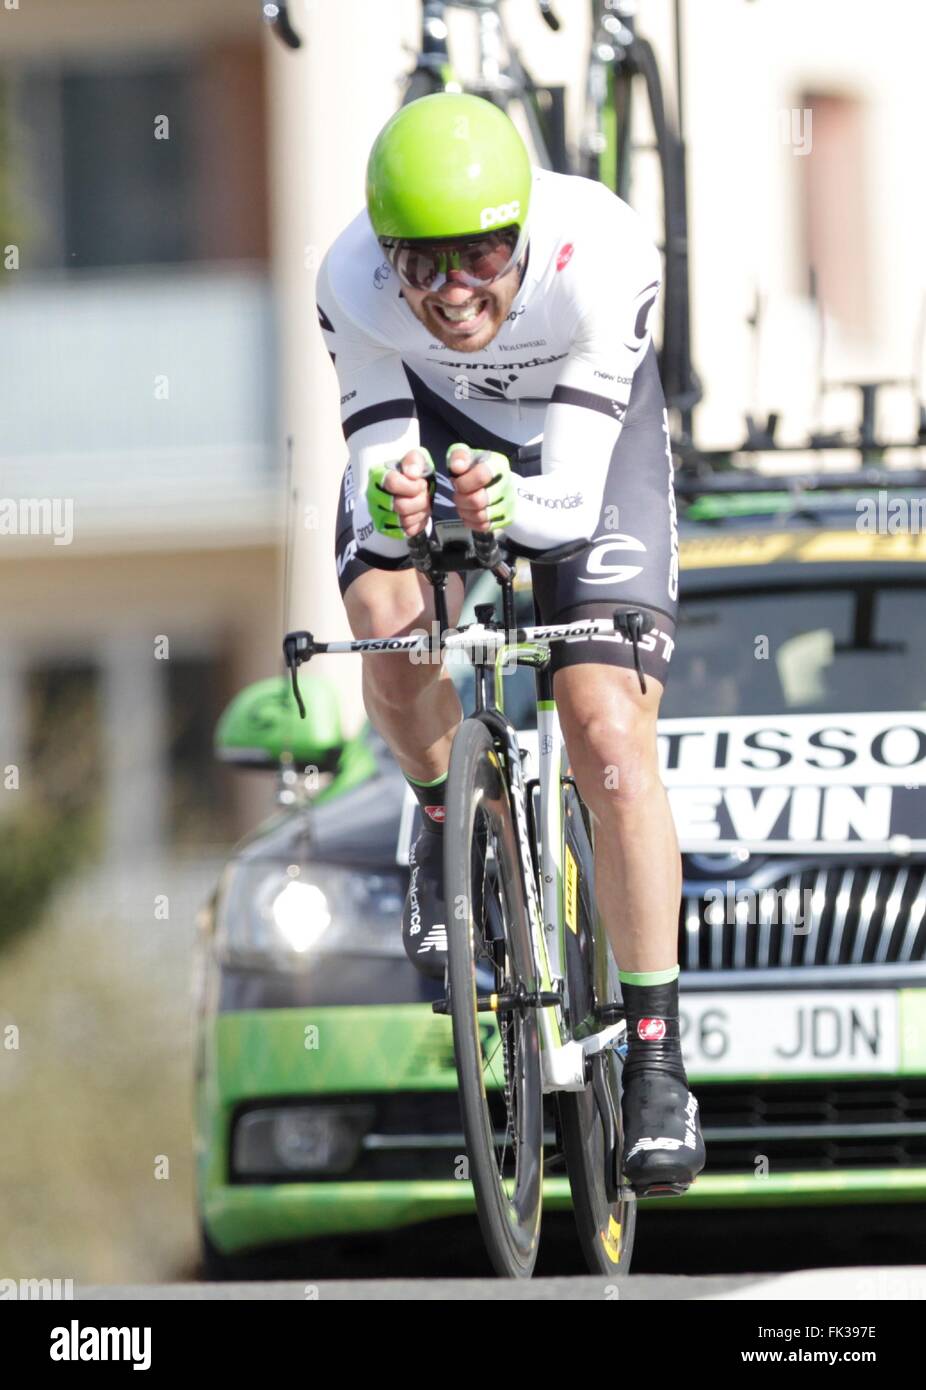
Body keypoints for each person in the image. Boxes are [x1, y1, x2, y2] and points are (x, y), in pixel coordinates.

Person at [316, 92, 704, 1195]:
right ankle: (444, 825)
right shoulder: (347, 279)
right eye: (420, 265)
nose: (450, 293)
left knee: (603, 724)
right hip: (435, 432)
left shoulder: (603, 251)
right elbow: (374, 456)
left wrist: (500, 499)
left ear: (523, 230)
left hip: (582, 441)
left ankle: (653, 1053)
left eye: (480, 254)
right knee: (388, 633)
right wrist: (398, 504)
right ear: (384, 256)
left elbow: (568, 507)